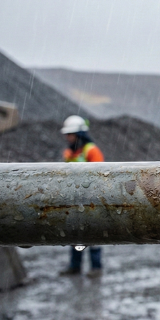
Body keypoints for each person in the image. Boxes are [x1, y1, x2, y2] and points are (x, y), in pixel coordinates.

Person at [58, 115, 105, 277]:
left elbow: (100, 175)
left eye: (70, 134)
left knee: (92, 236)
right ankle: (75, 266)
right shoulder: (69, 153)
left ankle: (96, 267)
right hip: (74, 200)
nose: (67, 137)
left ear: (79, 134)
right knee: (75, 235)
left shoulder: (91, 151)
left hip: (91, 200)